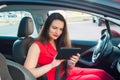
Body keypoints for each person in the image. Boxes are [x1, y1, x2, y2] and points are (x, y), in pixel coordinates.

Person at [24, 13, 115, 80]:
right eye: (54, 28)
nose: (58, 32)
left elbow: (65, 67)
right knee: (94, 78)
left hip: (67, 73)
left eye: (60, 29)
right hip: (58, 78)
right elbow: (27, 73)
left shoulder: (57, 42)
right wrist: (52, 65)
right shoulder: (36, 46)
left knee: (102, 73)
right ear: (47, 27)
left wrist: (71, 63)